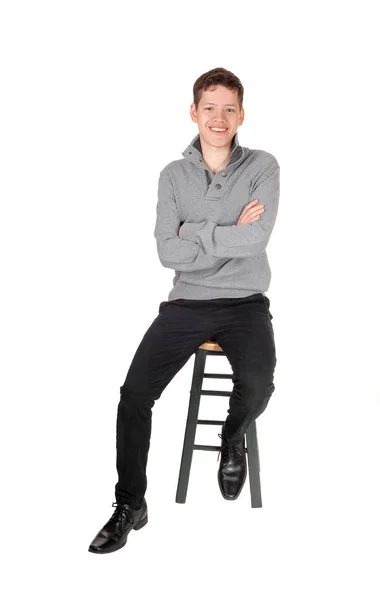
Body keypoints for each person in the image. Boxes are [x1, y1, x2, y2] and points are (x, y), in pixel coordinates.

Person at [88, 67, 280, 554]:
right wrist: (226, 231)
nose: (219, 117)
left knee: (260, 383)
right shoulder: (172, 175)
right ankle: (131, 503)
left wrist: (195, 232)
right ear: (194, 112)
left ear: (242, 115)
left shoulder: (263, 166)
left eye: (229, 108)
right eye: (209, 107)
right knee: (133, 395)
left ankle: (231, 435)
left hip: (245, 303)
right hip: (187, 303)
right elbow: (166, 254)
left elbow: (256, 238)